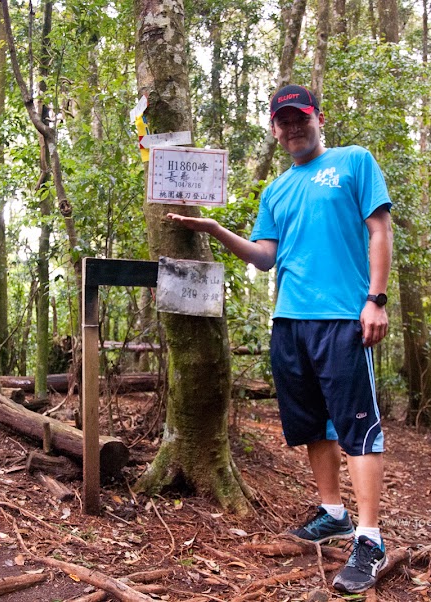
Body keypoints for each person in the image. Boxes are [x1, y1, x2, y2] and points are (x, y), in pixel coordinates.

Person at [166, 84, 393, 593]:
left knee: (358, 427)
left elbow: (379, 230)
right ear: (274, 127)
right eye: (283, 121)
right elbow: (266, 256)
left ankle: (370, 538)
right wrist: (215, 229)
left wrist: (375, 300)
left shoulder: (354, 162)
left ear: (318, 117)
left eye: (300, 118)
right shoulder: (276, 190)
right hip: (289, 321)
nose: (293, 127)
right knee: (313, 424)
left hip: (343, 318)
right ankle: (333, 511)